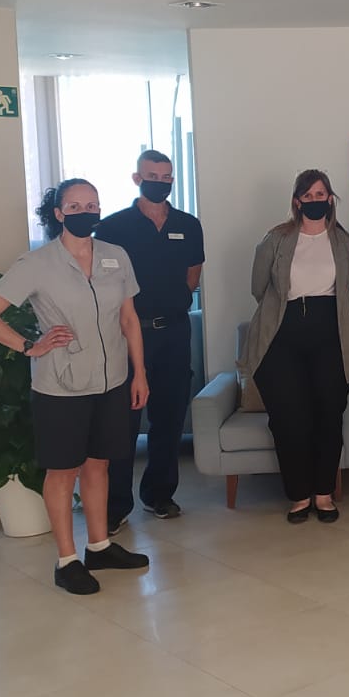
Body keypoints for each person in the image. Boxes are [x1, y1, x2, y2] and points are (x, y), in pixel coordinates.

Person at [0, 180, 150, 594]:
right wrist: (28, 346)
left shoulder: (115, 257)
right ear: (58, 213)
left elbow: (128, 320)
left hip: (112, 380)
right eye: (75, 205)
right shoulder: (37, 263)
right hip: (62, 385)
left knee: (99, 463)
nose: (86, 211)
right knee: (63, 469)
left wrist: (139, 373)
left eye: (93, 204)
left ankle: (100, 546)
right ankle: (67, 559)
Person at [242, 169, 349, 523]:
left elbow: (346, 287)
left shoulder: (344, 242)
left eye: (321, 194)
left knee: (328, 416)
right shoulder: (276, 239)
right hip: (282, 338)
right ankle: (298, 495)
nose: (315, 201)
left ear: (331, 198)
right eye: (307, 195)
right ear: (297, 201)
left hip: (331, 337)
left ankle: (324, 495)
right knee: (288, 420)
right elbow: (258, 287)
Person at [97, 150, 204, 530]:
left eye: (167, 176)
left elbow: (193, 274)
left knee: (170, 416)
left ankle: (159, 494)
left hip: (174, 331)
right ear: (137, 178)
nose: (160, 181)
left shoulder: (188, 225)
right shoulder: (112, 228)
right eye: (152, 175)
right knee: (123, 421)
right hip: (127, 333)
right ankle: (115, 506)